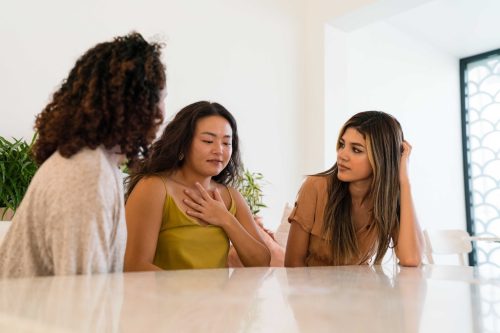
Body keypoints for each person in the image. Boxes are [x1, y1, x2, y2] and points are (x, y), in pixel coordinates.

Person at [0, 32, 167, 278]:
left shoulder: (94, 165)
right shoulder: (87, 174)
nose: (164, 110)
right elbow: (79, 303)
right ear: (140, 103)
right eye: (162, 97)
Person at [124, 101, 271, 271]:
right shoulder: (153, 188)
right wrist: (188, 296)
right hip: (168, 297)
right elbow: (134, 265)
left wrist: (225, 219)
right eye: (208, 141)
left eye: (226, 143)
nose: (219, 150)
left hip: (219, 298)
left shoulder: (231, 196)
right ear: (183, 143)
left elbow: (262, 262)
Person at [285, 111, 424, 267]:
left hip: (358, 290)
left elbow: (411, 258)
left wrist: (404, 181)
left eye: (356, 150)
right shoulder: (316, 187)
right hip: (313, 290)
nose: (342, 155)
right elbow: (292, 264)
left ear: (381, 158)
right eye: (342, 145)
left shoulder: (386, 202)